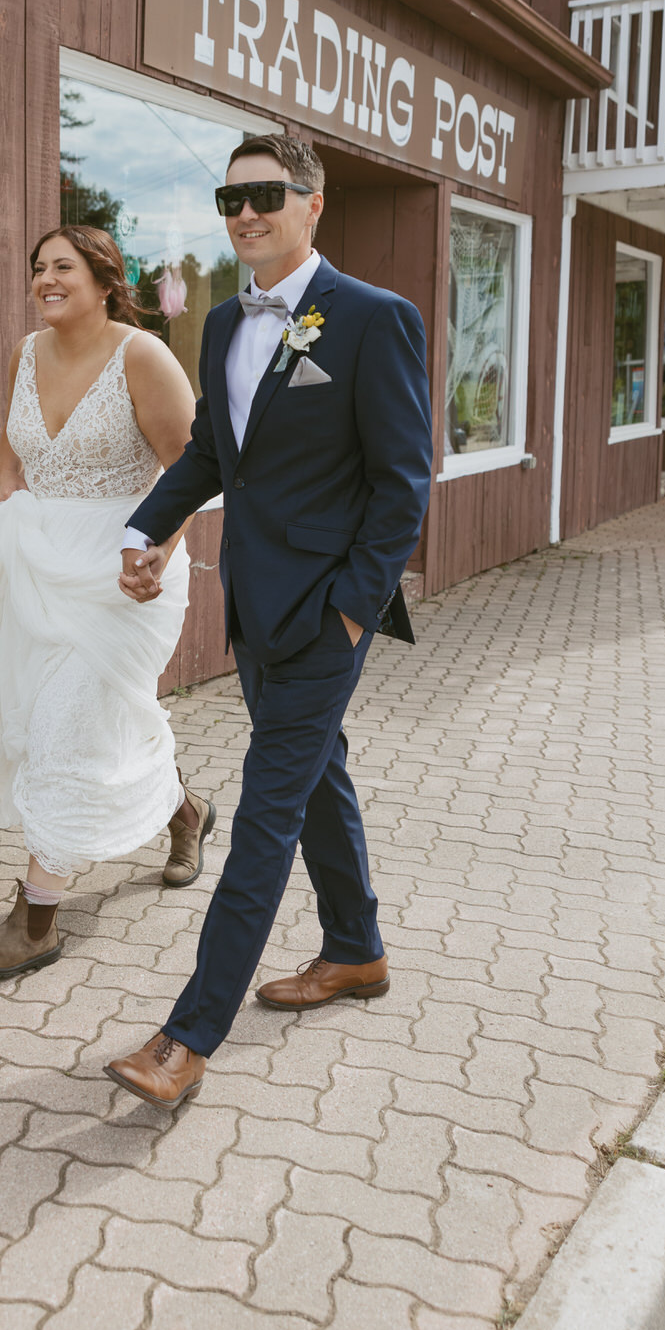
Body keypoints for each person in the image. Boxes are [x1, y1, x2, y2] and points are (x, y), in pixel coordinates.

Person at [105, 134, 433, 1107]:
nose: (243, 213)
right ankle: (355, 950)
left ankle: (187, 1034)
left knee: (264, 812)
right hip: (251, 599)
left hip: (326, 613)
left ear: (310, 202)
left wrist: (351, 611)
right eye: (228, 197)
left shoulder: (374, 320)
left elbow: (400, 485)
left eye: (263, 194)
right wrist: (147, 529)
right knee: (315, 770)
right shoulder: (218, 325)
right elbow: (214, 451)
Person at [0, 225, 215, 979]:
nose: (44, 279)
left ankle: (36, 920)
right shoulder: (24, 354)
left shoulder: (142, 354)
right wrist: (9, 505)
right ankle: (185, 812)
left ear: (104, 280)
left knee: (71, 727)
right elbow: (11, 457)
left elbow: (189, 467)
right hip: (38, 568)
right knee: (55, 721)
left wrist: (156, 548)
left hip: (125, 568)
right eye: (37, 269)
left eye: (62, 267)